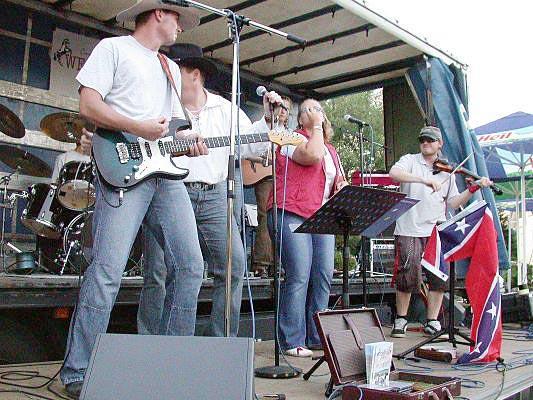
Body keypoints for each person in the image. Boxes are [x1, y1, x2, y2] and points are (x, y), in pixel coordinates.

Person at [60, 2, 207, 397]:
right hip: (122, 169)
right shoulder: (114, 49)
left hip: (165, 175)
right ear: (159, 13)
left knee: (191, 266)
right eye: (177, 18)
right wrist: (137, 126)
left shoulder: (169, 67)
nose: (180, 27)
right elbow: (89, 105)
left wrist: (189, 142)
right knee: (107, 272)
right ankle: (77, 372)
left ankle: (172, 363)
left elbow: (171, 130)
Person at [136, 43, 283, 337]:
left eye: (174, 69)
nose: (167, 75)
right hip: (168, 191)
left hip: (214, 195)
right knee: (158, 271)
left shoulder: (226, 110)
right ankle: (151, 343)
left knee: (233, 266)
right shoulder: (158, 105)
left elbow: (252, 146)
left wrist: (268, 120)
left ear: (194, 74)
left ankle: (221, 343)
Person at [389, 126, 492, 338]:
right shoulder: (410, 160)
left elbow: (452, 202)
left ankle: (432, 320)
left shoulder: (447, 171)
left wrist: (472, 189)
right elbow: (394, 174)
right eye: (423, 140)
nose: (426, 143)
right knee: (407, 273)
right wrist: (424, 179)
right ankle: (401, 318)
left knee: (438, 276)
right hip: (410, 227)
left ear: (439, 144)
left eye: (430, 140)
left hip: (436, 228)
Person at [267, 98, 348, 357]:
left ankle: (317, 337)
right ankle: (291, 340)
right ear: (301, 119)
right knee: (299, 274)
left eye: (318, 109)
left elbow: (337, 182)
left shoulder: (331, 150)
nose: (315, 113)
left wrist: (342, 188)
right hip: (291, 210)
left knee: (323, 275)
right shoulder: (288, 137)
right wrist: (315, 127)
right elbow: (311, 155)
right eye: (308, 110)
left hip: (322, 217)